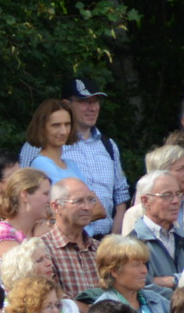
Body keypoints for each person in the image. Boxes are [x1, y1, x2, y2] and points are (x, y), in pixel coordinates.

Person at [21, 79, 130, 237]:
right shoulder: (35, 155)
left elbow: (105, 206)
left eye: (67, 124)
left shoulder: (105, 146)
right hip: (58, 240)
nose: (92, 107)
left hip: (99, 240)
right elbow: (28, 205)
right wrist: (81, 214)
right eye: (84, 102)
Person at [130, 169, 184, 288]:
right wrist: (182, 280)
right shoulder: (133, 243)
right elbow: (139, 286)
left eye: (178, 194)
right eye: (167, 195)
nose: (176, 201)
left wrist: (167, 281)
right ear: (146, 201)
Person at [0, 167, 52, 264]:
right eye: (45, 194)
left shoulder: (42, 228)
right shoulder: (2, 234)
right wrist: (38, 239)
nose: (50, 200)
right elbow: (26, 272)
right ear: (24, 195)